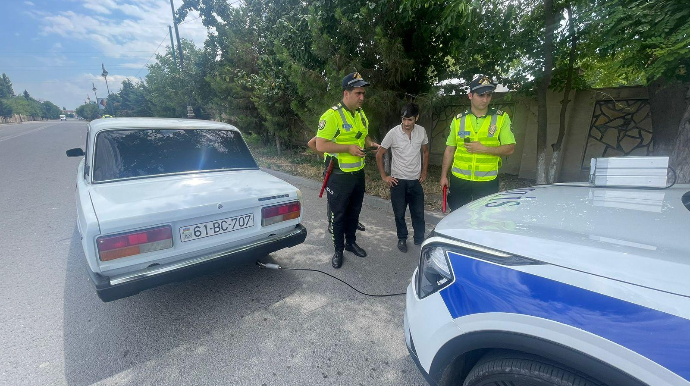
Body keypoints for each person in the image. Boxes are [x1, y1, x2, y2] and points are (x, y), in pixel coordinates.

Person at [315, 72, 379, 269]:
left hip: (357, 174)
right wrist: (348, 148)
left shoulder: (360, 114)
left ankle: (350, 243)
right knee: (339, 214)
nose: (362, 97)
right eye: (358, 93)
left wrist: (371, 143)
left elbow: (364, 137)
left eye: (363, 94)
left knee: (354, 212)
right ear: (346, 93)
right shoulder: (331, 116)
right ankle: (338, 250)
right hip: (338, 175)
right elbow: (320, 145)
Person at [440, 75, 516, 211]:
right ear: (470, 95)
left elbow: (510, 149)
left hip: (487, 182)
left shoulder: (501, 118)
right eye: (481, 95)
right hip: (459, 180)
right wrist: (444, 176)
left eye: (489, 95)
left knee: (483, 220)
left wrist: (483, 149)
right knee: (457, 217)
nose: (485, 99)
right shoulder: (458, 120)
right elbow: (450, 149)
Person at [376, 103, 429, 253]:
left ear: (416, 118)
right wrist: (384, 176)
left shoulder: (421, 131)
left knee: (418, 213)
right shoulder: (393, 133)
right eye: (404, 119)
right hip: (398, 182)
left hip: (415, 181)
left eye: (410, 120)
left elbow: (425, 152)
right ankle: (402, 238)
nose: (406, 123)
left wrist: (424, 172)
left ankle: (420, 239)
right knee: (399, 214)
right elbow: (379, 154)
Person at [307, 136, 366, 234]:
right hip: (334, 171)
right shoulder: (332, 126)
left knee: (352, 199)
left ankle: (353, 222)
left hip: (350, 171)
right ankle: (332, 223)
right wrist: (327, 157)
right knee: (334, 199)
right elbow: (311, 143)